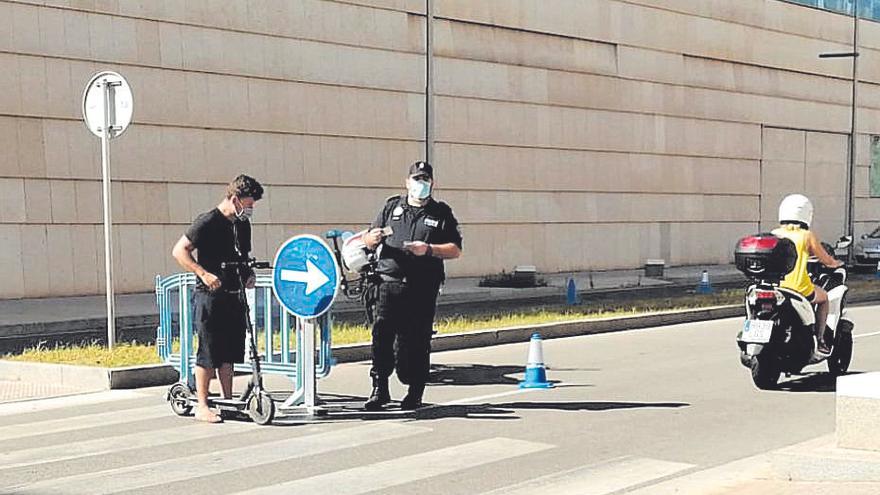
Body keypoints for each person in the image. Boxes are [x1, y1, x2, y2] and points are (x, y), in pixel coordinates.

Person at [362, 161, 462, 410]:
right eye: (417, 179)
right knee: (381, 337)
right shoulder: (392, 207)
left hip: (421, 287)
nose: (421, 184)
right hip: (389, 283)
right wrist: (371, 239)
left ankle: (414, 390)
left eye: (425, 180)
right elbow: (368, 237)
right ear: (407, 182)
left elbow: (455, 249)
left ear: (432, 184)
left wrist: (428, 249)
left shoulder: (441, 213)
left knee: (416, 341)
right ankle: (379, 389)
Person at [171, 175, 264, 423]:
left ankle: (228, 400)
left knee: (230, 350)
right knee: (209, 350)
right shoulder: (208, 221)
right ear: (234, 199)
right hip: (209, 295)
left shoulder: (242, 224)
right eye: (249, 203)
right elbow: (179, 250)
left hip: (234, 293)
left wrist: (248, 273)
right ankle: (202, 405)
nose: (251, 209)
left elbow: (243, 255)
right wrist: (203, 273)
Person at [772, 194, 843, 355]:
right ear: (806, 214)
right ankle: (820, 339)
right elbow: (825, 259)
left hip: (776, 286)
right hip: (798, 287)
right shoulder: (806, 235)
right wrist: (836, 263)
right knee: (824, 298)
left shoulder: (775, 233)